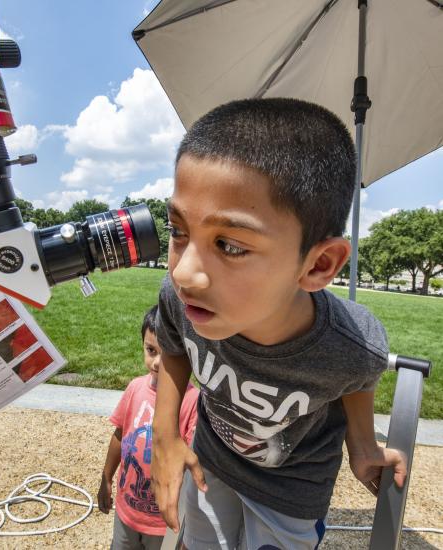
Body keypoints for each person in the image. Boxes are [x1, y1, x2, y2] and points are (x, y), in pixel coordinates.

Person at [150, 98, 408, 550]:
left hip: (292, 489)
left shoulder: (352, 343)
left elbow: (358, 376)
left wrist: (363, 445)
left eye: (229, 245)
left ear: (319, 264)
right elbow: (173, 345)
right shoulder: (180, 300)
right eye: (178, 231)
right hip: (212, 461)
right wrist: (166, 435)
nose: (184, 273)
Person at [98, 305, 199, 550]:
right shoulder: (134, 388)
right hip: (127, 513)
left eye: (167, 354)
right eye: (151, 350)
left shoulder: (192, 400)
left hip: (163, 522)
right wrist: (106, 478)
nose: (156, 363)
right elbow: (120, 435)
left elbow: (192, 465)